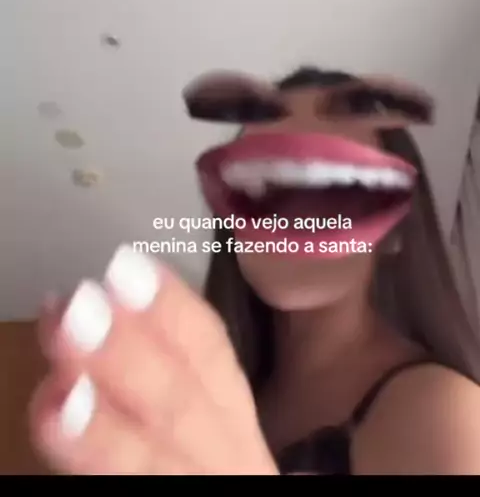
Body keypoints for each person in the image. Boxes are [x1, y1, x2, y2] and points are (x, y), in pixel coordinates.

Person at [29, 67, 480, 474]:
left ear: (398, 234)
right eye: (271, 192)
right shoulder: (221, 396)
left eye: (334, 190)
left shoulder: (443, 412)